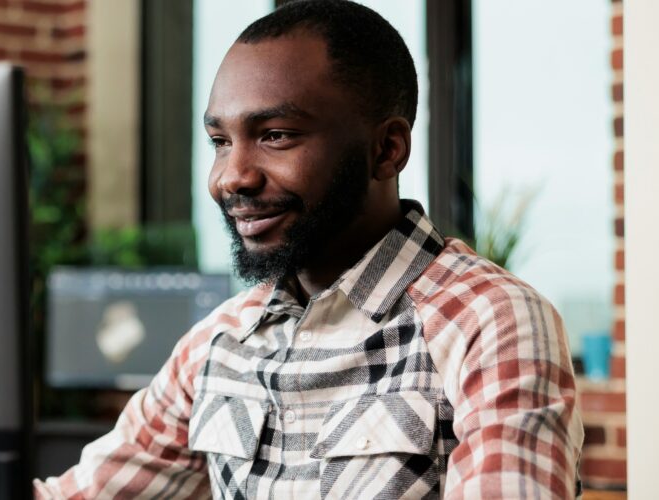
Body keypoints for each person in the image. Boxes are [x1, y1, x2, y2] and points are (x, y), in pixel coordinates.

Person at [34, 1, 583, 498]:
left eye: (275, 134)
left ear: (386, 149)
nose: (233, 177)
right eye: (221, 142)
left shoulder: (490, 321)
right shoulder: (219, 344)